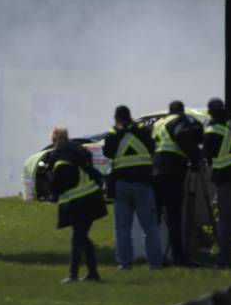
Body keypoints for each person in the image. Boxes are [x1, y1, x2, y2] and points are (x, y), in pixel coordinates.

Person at [103, 105, 163, 270]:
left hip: (122, 184)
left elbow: (107, 152)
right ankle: (156, 264)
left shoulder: (114, 134)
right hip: (143, 183)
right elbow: (153, 148)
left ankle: (124, 263)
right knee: (150, 227)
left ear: (116, 118)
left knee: (123, 228)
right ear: (130, 116)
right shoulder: (143, 131)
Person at [46, 126, 107, 283]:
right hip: (90, 200)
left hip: (81, 203)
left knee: (77, 238)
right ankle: (93, 273)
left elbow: (58, 185)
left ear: (55, 141)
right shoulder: (75, 152)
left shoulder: (62, 161)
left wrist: (50, 177)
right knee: (82, 238)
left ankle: (73, 275)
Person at [152, 101, 203, 265]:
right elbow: (181, 135)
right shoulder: (180, 121)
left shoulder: (159, 123)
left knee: (156, 217)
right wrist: (195, 157)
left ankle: (155, 256)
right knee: (174, 216)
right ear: (181, 111)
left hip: (154, 171)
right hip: (172, 171)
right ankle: (178, 256)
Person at [202, 98, 231, 268]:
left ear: (210, 113)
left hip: (227, 179)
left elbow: (208, 157)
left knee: (225, 221)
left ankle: (224, 259)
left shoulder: (211, 131)